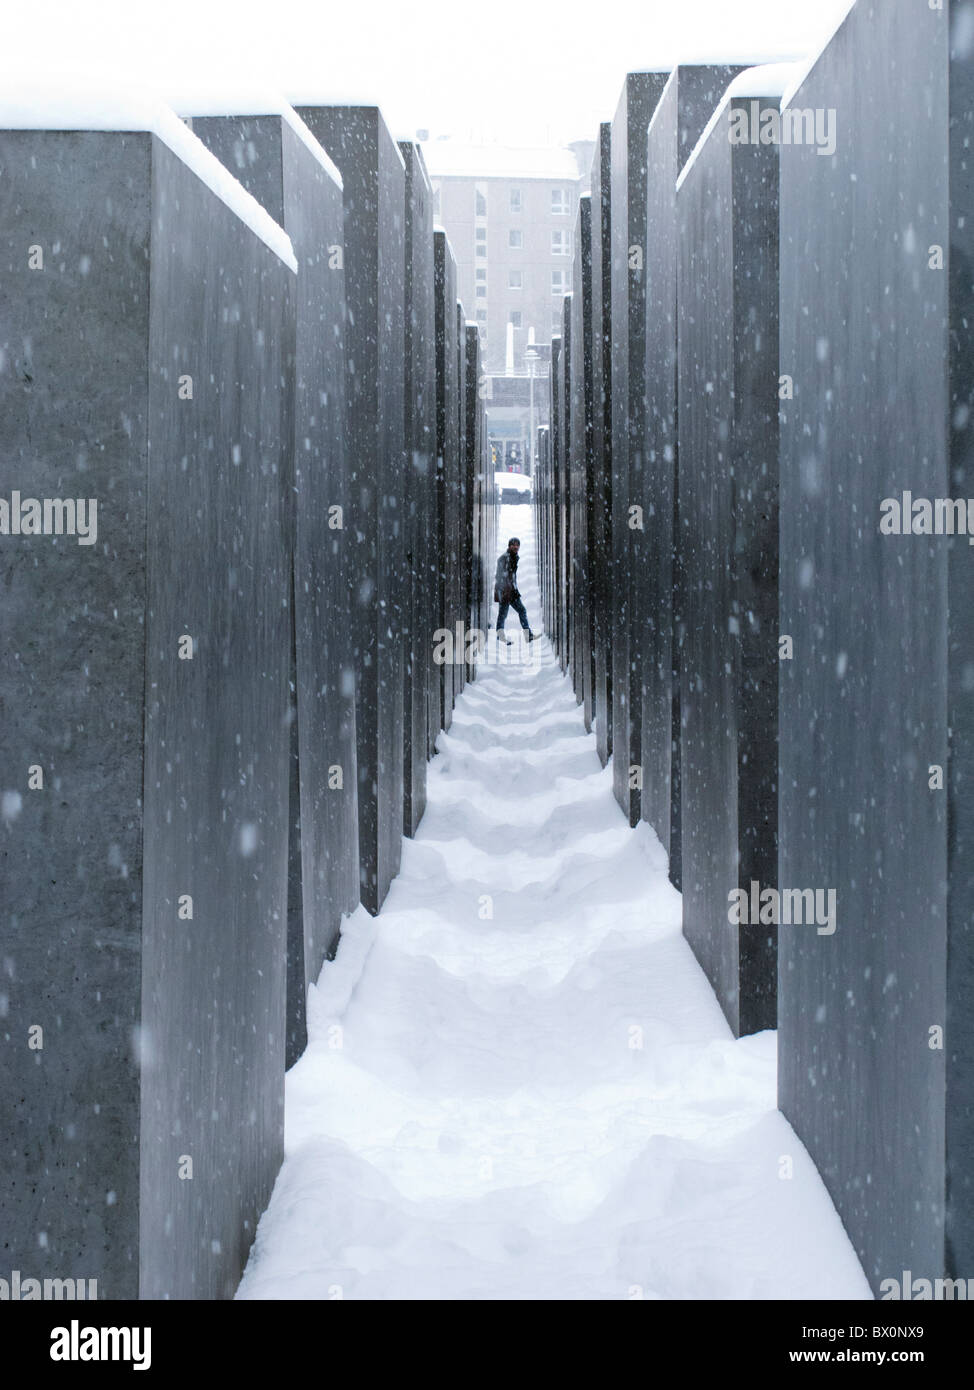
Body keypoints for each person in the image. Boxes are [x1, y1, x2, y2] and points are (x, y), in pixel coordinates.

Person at [494, 536, 537, 644]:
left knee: (518, 611)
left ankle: (528, 636)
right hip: (505, 591)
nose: (516, 547)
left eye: (517, 545)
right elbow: (500, 576)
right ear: (509, 546)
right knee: (503, 614)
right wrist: (502, 591)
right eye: (513, 545)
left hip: (511, 591)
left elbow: (511, 576)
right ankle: (501, 637)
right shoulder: (504, 558)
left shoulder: (513, 557)